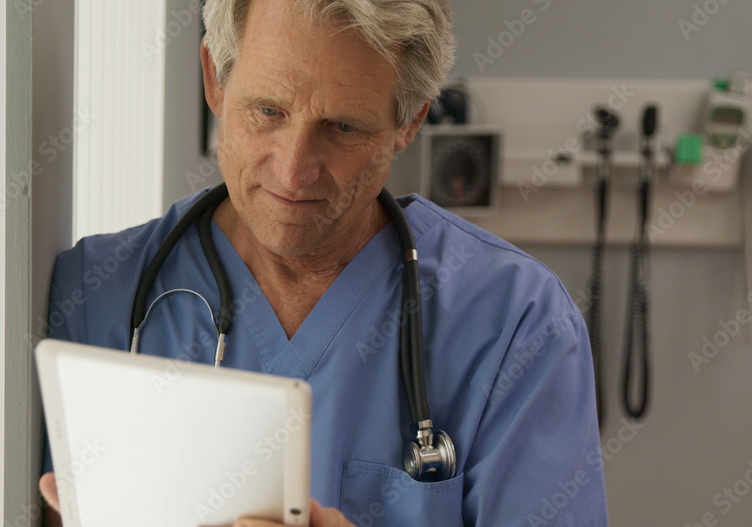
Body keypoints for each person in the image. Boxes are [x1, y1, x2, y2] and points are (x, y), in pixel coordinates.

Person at [39, 0, 609, 525]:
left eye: (342, 127)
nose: (293, 173)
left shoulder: (517, 324)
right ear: (215, 79)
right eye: (267, 110)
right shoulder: (98, 296)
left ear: (409, 121)